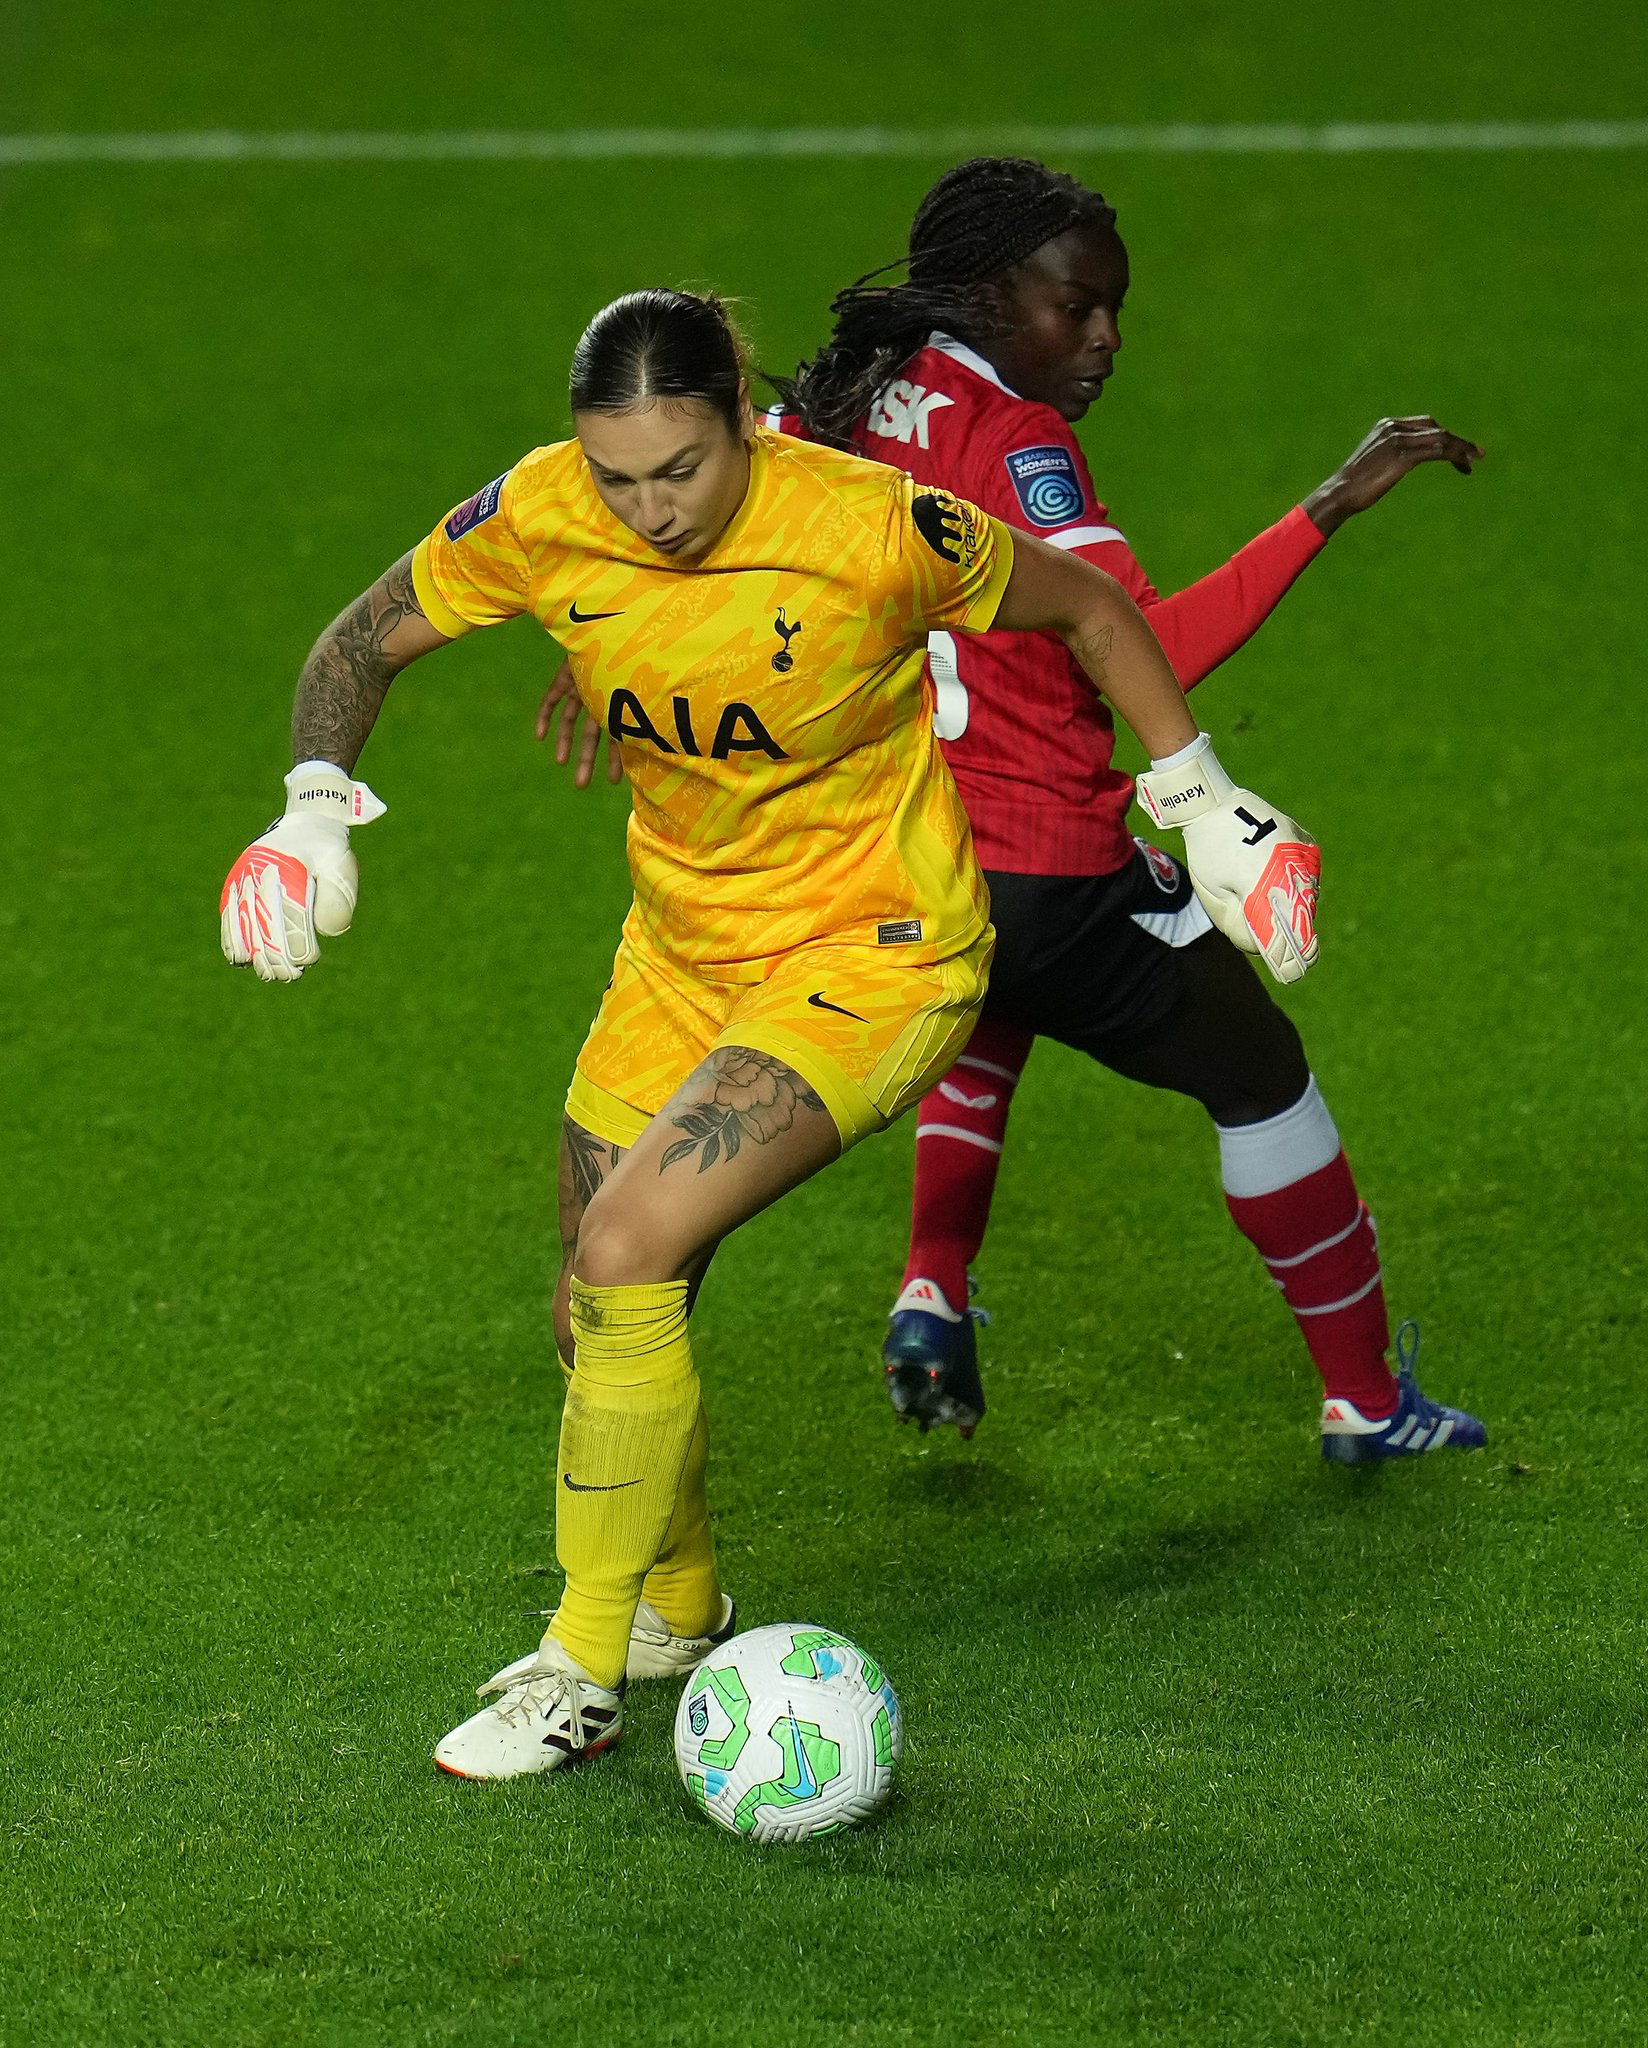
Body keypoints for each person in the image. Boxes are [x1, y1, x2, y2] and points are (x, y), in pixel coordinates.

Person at [219, 287, 1310, 1780]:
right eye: (619, 476)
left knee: (624, 1251)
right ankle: (676, 1609)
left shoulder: (871, 525)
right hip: (678, 954)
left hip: (876, 956)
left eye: (683, 469)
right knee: (593, 1311)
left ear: (745, 418)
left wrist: (1203, 802)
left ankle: (579, 1667)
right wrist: (310, 806)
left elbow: (1091, 608)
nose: (650, 509)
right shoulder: (545, 516)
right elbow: (362, 635)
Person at [542, 158, 1486, 1464]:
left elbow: (713, 533)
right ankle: (1367, 1403)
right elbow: (1138, 642)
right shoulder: (1018, 444)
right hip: (1053, 868)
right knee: (1264, 1078)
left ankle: (930, 1288)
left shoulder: (844, 396)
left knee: (981, 1002)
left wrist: (617, 648)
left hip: (896, 866)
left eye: (1114, 309)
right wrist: (1324, 508)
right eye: (1075, 307)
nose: (1104, 339)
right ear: (990, 295)